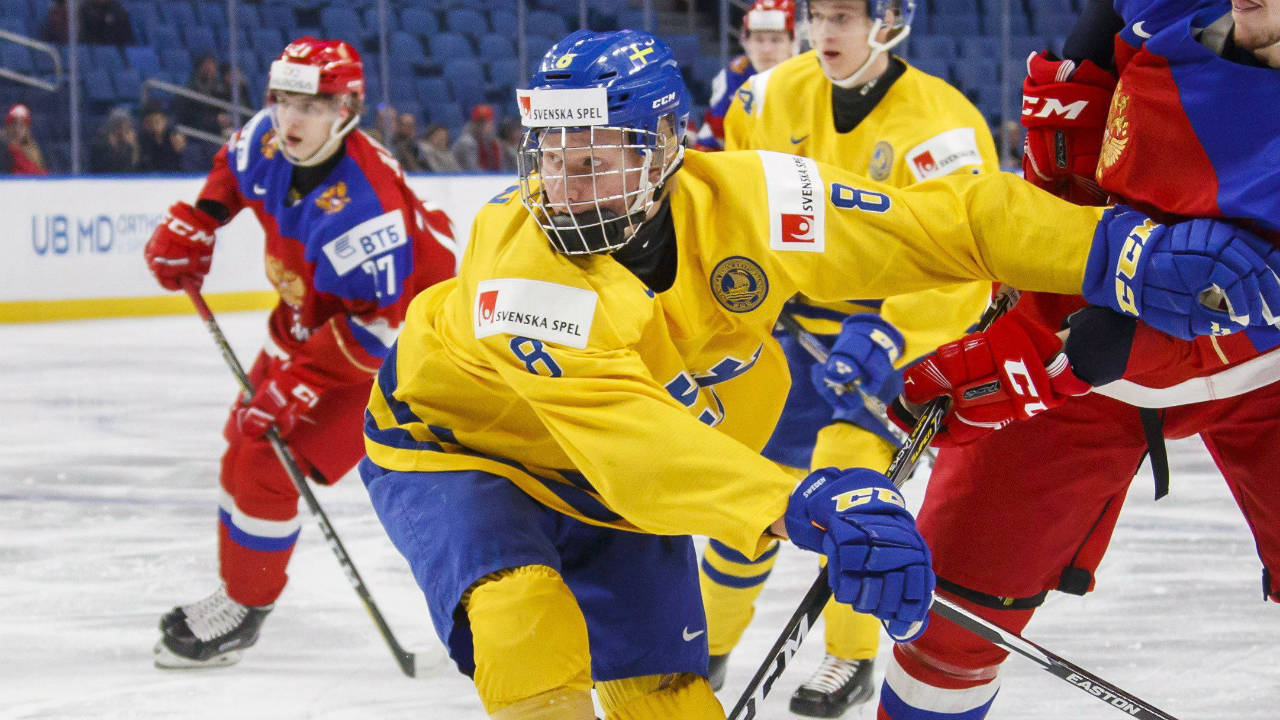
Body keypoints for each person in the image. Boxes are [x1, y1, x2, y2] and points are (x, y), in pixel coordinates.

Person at [357, 28, 1280, 720]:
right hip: (457, 447)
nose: (563, 186)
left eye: (595, 160)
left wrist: (1110, 249)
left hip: (618, 460)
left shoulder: (751, 200)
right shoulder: (518, 274)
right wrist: (802, 500)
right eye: (551, 159)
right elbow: (631, 441)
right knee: (526, 619)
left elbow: (941, 226)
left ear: (667, 148)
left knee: (667, 691)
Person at [866, 2, 1280, 718]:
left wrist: (1050, 363)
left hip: (1263, 375)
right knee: (948, 629)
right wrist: (1043, 258)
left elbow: (1223, 287)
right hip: (1094, 318)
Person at [701, 1, 999, 713]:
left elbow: (967, 259)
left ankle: (849, 655)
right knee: (755, 489)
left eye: (843, 17)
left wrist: (891, 334)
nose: (825, 33)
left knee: (852, 483)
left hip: (889, 341)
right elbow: (728, 201)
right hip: (785, 327)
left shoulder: (942, 123)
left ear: (886, 21)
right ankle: (705, 642)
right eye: (818, 15)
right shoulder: (767, 95)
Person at [143, 37, 458, 670]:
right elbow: (231, 172)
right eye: (284, 100)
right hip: (311, 323)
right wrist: (198, 218)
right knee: (244, 444)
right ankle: (238, 593)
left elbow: (378, 329)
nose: (291, 120)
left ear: (347, 109)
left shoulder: (365, 207)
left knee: (267, 464)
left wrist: (298, 388)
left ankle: (244, 610)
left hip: (403, 349)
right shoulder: (270, 135)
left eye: (311, 106)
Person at [693, 0, 797, 151]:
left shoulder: (811, 76)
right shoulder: (733, 75)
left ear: (792, 43)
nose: (766, 49)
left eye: (776, 40)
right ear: (745, 41)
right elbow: (711, 140)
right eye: (759, 39)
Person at [452, 102, 502, 171]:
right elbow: (473, 170)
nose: (482, 126)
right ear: (473, 123)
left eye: (486, 122)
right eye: (479, 122)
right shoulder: (467, 142)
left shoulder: (491, 141)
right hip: (462, 179)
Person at [89, 107, 140, 173]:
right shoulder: (99, 145)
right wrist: (111, 148)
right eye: (118, 126)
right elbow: (99, 169)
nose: (121, 131)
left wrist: (134, 146)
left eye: (125, 126)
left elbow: (138, 168)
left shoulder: (136, 142)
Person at [3, 104, 48, 175]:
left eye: (22, 125)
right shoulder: (4, 150)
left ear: (27, 130)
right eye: (14, 124)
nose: (17, 129)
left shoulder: (34, 151)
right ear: (7, 128)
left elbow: (39, 174)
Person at [138, 100, 181, 172]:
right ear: (144, 124)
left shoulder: (174, 138)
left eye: (157, 122)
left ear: (165, 121)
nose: (154, 127)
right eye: (149, 123)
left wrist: (180, 152)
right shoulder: (140, 141)